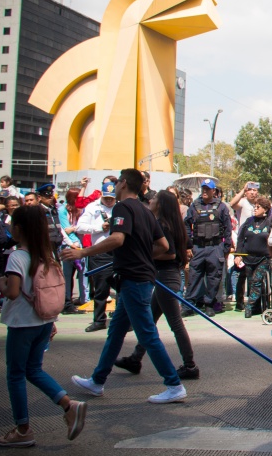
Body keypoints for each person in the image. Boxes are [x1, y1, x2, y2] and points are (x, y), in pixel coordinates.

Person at [64, 168, 187, 405]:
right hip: (137, 277)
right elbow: (162, 245)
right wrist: (142, 256)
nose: (116, 185)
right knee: (117, 331)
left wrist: (84, 251)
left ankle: (173, 384)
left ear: (122, 183)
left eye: (117, 181)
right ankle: (97, 381)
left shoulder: (123, 208)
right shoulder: (145, 210)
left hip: (133, 279)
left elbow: (118, 238)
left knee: (147, 334)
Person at [0, 205, 87, 447]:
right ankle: (69, 405)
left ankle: (23, 429)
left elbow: (13, 292)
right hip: (44, 321)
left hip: (22, 323)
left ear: (18, 229)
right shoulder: (48, 256)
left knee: (15, 374)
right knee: (33, 370)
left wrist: (1, 283)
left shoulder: (17, 257)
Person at [113, 190, 198, 380]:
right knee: (149, 321)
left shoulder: (163, 225)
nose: (151, 201)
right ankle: (136, 358)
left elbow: (171, 253)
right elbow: (187, 245)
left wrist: (142, 255)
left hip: (165, 276)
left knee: (174, 323)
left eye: (155, 199)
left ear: (161, 205)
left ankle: (190, 365)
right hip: (165, 276)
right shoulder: (172, 224)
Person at [183, 179, 233, 316]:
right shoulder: (194, 206)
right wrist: (188, 245)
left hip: (215, 247)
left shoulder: (221, 207)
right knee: (194, 277)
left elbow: (228, 228)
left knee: (213, 278)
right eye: (203, 189)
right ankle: (189, 306)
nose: (205, 191)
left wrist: (226, 248)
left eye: (207, 189)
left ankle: (209, 304)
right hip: (198, 247)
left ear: (213, 191)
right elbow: (186, 224)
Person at [75, 179, 117, 332]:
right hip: (100, 252)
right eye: (106, 198)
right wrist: (100, 227)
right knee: (101, 289)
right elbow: (80, 227)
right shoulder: (92, 207)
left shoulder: (119, 207)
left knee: (122, 287)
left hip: (118, 251)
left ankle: (122, 319)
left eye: (112, 198)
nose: (109, 201)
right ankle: (99, 320)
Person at [237, 197, 272, 317]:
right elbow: (241, 238)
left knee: (256, 281)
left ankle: (249, 306)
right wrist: (238, 255)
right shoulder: (249, 221)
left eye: (258, 207)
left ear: (265, 209)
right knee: (251, 282)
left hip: (264, 258)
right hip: (248, 257)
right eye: (255, 206)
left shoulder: (270, 221)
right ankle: (257, 307)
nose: (255, 208)